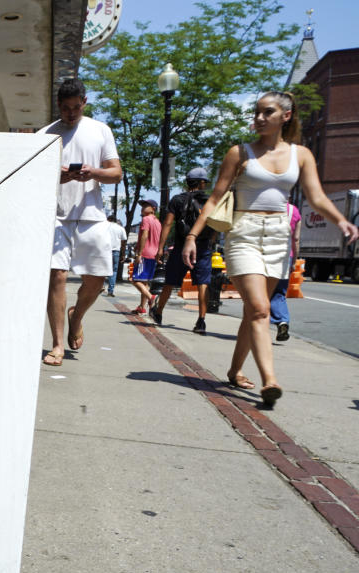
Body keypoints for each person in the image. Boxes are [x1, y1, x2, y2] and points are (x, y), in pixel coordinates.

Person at [183, 91, 359, 406]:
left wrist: (342, 221)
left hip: (279, 234)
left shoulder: (301, 154)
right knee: (261, 308)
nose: (260, 118)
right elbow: (214, 197)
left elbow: (316, 196)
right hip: (244, 233)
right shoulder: (240, 153)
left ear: (285, 116)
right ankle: (270, 381)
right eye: (258, 112)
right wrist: (192, 236)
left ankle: (235, 370)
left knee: (254, 311)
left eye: (268, 112)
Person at [38, 78, 123, 366]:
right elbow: (32, 177)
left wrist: (94, 172)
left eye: (76, 107)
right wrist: (56, 174)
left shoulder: (100, 130)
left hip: (92, 214)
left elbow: (117, 173)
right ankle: (58, 344)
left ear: (84, 102)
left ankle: (77, 317)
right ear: (58, 106)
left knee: (96, 279)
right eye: (65, 108)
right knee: (57, 276)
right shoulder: (45, 134)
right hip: (56, 214)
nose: (71, 113)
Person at [150, 168, 215, 333]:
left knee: (169, 282)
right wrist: (210, 241)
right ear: (201, 183)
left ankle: (158, 313)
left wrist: (160, 248)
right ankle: (201, 321)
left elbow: (168, 223)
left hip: (181, 247)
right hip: (202, 247)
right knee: (203, 284)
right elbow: (215, 224)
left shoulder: (178, 200)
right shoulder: (210, 201)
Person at [269, 202, 301, 341]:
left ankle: (259, 328)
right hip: (286, 255)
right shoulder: (294, 211)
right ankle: (282, 321)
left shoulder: (268, 206)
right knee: (279, 292)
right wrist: (294, 260)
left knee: (262, 292)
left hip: (267, 254)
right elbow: (296, 239)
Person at [131, 199, 161, 314]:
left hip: (145, 253)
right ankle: (141, 307)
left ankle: (151, 297)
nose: (142, 208)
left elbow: (145, 235)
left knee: (135, 280)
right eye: (142, 206)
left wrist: (139, 253)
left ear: (153, 208)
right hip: (153, 254)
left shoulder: (146, 219)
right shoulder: (157, 222)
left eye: (146, 206)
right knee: (144, 282)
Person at [105, 215, 127, 296]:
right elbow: (124, 242)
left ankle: (101, 286)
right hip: (116, 252)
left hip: (105, 251)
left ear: (109, 220)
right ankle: (110, 291)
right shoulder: (121, 228)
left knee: (102, 269)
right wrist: (123, 254)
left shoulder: (105, 227)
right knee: (113, 271)